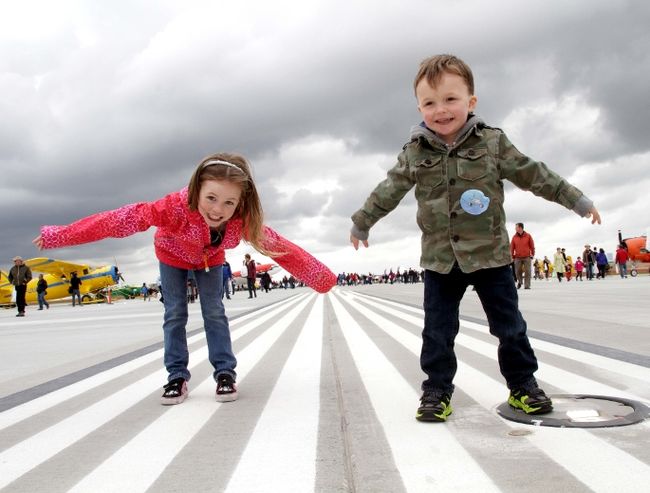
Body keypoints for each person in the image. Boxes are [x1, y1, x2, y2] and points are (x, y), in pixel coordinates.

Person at [349, 54, 601, 422]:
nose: (441, 110)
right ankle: (436, 391)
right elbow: (388, 190)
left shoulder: (493, 143)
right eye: (430, 103)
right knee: (437, 332)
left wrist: (576, 200)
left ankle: (522, 387)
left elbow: (536, 175)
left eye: (451, 99)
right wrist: (362, 221)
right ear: (419, 107)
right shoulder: (414, 153)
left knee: (510, 327)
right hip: (440, 260)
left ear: (471, 102)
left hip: (492, 258)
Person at [34, 152, 336, 405]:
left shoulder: (242, 222)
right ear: (196, 190)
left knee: (214, 312)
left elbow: (281, 248)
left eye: (229, 203)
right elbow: (118, 221)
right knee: (175, 313)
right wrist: (58, 235)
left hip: (210, 259)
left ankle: (225, 373)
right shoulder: (173, 208)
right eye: (211, 198)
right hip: (171, 255)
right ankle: (176, 376)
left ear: (240, 204)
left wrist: (321, 278)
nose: (218, 210)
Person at [510, 222, 535, 289]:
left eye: (516, 227)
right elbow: (511, 247)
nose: (515, 228)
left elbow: (532, 246)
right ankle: (520, 282)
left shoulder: (528, 236)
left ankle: (527, 286)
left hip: (527, 256)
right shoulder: (514, 237)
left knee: (528, 271)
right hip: (517, 257)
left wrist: (532, 254)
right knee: (517, 271)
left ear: (520, 228)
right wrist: (511, 256)